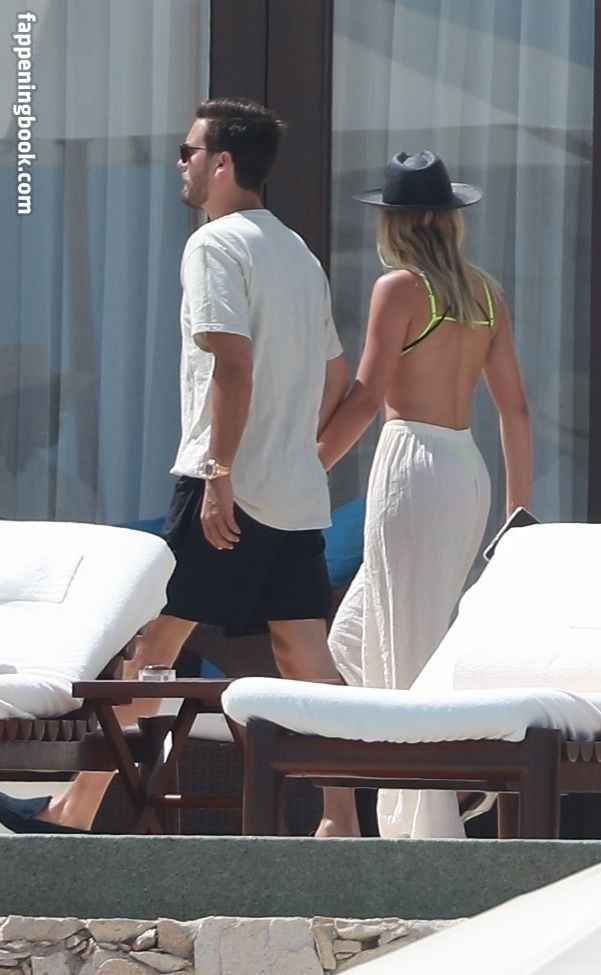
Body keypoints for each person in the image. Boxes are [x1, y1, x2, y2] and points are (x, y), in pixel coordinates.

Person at [0, 97, 357, 837]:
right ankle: (340, 820)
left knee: (154, 645)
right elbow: (335, 374)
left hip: (226, 487)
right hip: (293, 492)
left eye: (189, 152)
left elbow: (232, 361)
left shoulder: (214, 245)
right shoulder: (296, 252)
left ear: (222, 163)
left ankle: (75, 811)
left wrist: (220, 471)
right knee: (305, 656)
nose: (180, 164)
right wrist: (293, 448)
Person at [319, 151, 533, 838]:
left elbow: (365, 398)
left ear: (394, 223)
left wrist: (309, 470)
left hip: (412, 462)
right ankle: (448, 768)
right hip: (466, 467)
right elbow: (515, 409)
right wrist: (518, 511)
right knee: (356, 637)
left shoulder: (399, 288)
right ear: (448, 219)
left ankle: (432, 819)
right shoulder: (483, 292)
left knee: (407, 640)